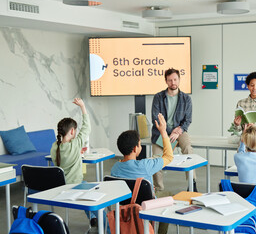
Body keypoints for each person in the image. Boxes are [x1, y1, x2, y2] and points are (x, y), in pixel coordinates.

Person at [111, 113, 173, 234]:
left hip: (124, 208)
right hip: (146, 207)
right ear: (135, 148)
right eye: (139, 144)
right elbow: (169, 156)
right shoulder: (145, 166)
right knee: (169, 195)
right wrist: (163, 132)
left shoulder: (115, 168)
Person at [50, 98, 99, 233]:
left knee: (86, 188)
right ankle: (100, 222)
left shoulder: (54, 147)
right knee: (94, 193)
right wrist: (83, 107)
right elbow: (87, 127)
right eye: (75, 131)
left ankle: (94, 218)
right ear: (72, 131)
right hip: (75, 185)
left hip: (60, 186)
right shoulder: (76, 144)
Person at [151, 68, 195, 192]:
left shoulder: (186, 99)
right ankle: (158, 189)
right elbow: (156, 118)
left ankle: (192, 182)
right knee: (156, 158)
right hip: (161, 132)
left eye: (175, 79)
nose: (173, 82)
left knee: (187, 148)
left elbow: (188, 120)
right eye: (170, 80)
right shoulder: (158, 97)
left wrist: (179, 130)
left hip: (180, 131)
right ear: (166, 81)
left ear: (179, 80)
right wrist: (170, 132)